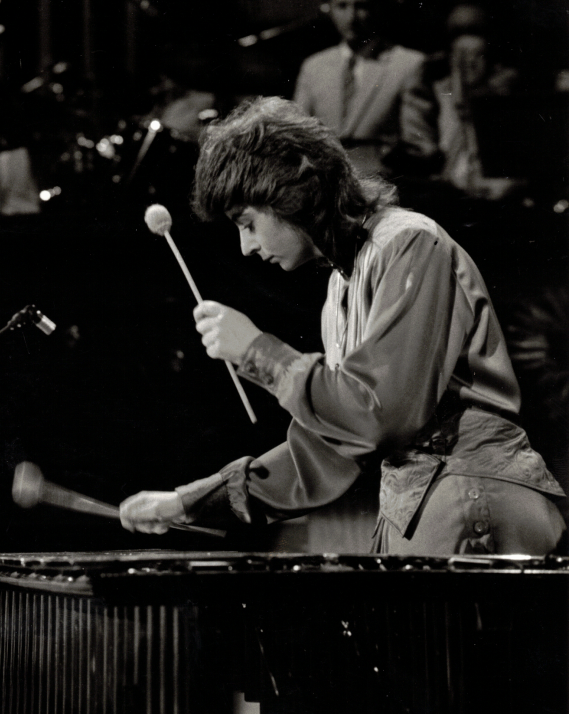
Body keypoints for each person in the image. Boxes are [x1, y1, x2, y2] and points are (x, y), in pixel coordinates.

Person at [118, 97, 567, 555]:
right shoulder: (340, 290)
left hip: (470, 502)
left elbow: (383, 415)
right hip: (423, 505)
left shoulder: (409, 242)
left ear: (286, 192)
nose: (245, 247)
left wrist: (259, 352)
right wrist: (191, 502)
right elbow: (333, 447)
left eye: (247, 223)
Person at [292, 0, 438, 178]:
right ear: (330, 9)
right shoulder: (313, 67)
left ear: (378, 9)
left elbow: (421, 148)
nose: (351, 18)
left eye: (362, 6)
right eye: (342, 6)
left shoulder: (408, 65)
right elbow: (297, 140)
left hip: (382, 190)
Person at [433, 4, 522, 199]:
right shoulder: (439, 94)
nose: (468, 66)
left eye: (477, 58)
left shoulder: (505, 97)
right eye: (460, 59)